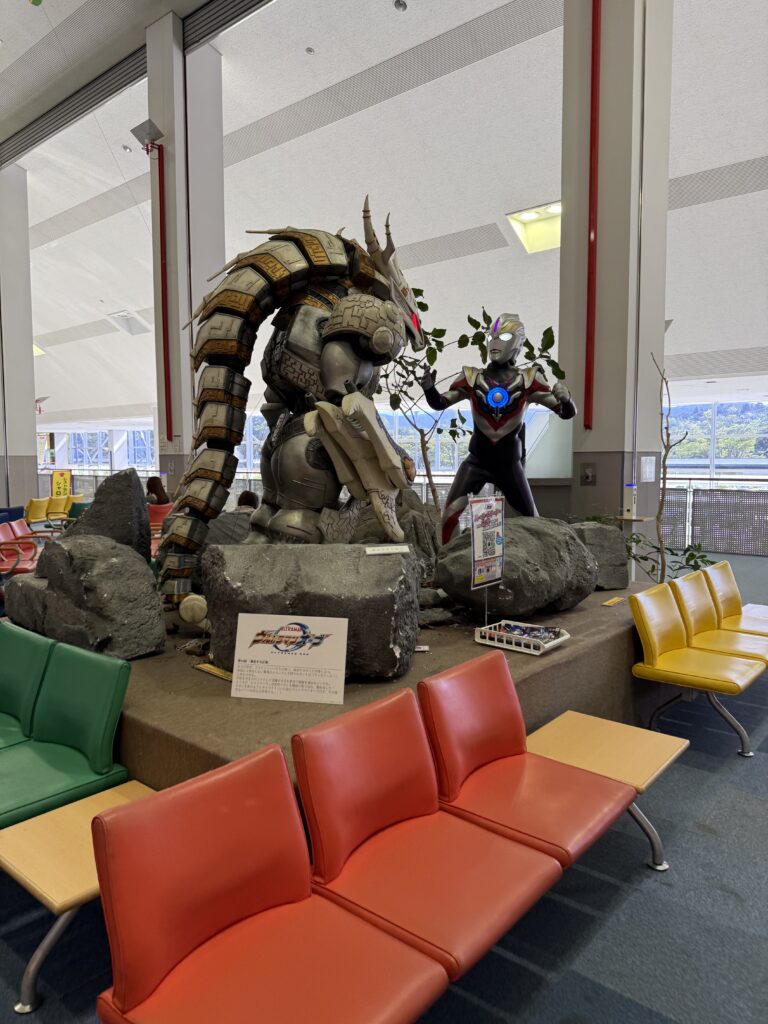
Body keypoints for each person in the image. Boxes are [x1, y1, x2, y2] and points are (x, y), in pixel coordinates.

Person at [420, 313, 577, 543]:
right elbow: (440, 403)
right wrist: (428, 388)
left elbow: (566, 413)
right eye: (491, 337)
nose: (494, 343)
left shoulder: (529, 379)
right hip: (477, 462)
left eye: (502, 337)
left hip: (509, 465)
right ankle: (445, 561)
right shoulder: (472, 377)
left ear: (517, 342)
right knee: (449, 518)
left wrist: (567, 399)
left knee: (534, 524)